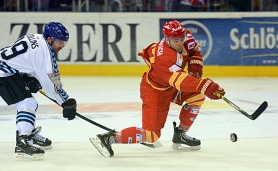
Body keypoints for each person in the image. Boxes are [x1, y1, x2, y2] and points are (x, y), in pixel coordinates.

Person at [89, 20, 225, 157]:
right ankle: (109, 138)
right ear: (167, 39)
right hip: (155, 91)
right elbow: (180, 81)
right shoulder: (163, 58)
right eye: (176, 40)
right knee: (152, 135)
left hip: (170, 86)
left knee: (197, 96)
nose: (180, 43)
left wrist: (196, 66)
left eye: (181, 39)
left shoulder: (184, 36)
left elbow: (194, 49)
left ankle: (180, 135)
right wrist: (202, 85)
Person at [0, 22, 77, 160]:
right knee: (27, 103)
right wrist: (65, 101)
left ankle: (29, 134)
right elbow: (51, 85)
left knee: (30, 103)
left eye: (64, 43)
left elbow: (22, 58)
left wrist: (27, 77)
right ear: (50, 39)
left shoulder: (37, 37)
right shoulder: (45, 53)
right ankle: (23, 140)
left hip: (1, 67)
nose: (62, 46)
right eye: (59, 42)